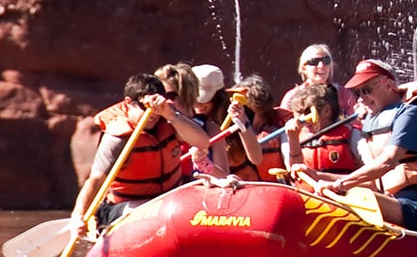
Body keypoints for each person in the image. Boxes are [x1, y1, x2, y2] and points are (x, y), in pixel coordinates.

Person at [317, 58, 417, 237]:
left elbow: (387, 162)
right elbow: (377, 182)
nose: (362, 98)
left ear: (387, 84)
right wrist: (319, 175)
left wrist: (340, 185)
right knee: (350, 195)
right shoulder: (375, 118)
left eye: (367, 90)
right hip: (399, 202)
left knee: (356, 200)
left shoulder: (413, 113)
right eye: (358, 92)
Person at [70, 73, 214, 230]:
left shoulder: (169, 121)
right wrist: (78, 216)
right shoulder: (117, 138)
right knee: (152, 210)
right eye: (144, 107)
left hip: (170, 200)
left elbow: (202, 142)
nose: (151, 114)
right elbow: (96, 180)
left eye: (155, 108)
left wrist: (170, 115)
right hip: (125, 207)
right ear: (128, 103)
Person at [282, 82, 362, 176]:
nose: (302, 120)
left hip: (343, 189)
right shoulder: (291, 136)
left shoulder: (352, 135)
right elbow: (294, 173)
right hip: (305, 190)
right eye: (299, 114)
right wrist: (293, 139)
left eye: (307, 113)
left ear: (327, 111)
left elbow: (369, 176)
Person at [232, 75, 291, 182]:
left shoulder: (282, 129)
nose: (242, 114)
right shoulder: (233, 131)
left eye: (246, 109)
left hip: (274, 187)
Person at [279, 43, 358, 116]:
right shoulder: (292, 97)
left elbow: (355, 124)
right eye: (314, 61)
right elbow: (282, 126)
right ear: (304, 67)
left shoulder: (343, 94)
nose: (321, 66)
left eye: (326, 61)